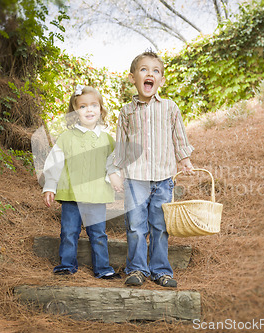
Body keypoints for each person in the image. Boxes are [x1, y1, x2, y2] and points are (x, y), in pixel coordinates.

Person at [113, 51, 195, 288]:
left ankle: (161, 270)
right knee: (136, 226)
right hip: (135, 178)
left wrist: (185, 159)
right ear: (132, 78)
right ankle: (137, 269)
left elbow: (178, 136)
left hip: (163, 178)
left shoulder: (170, 107)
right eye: (144, 69)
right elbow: (121, 144)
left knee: (160, 226)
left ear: (162, 80)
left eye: (155, 71)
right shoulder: (126, 112)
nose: (150, 74)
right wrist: (116, 170)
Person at [42, 85, 122, 279]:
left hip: (96, 195)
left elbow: (113, 162)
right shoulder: (66, 138)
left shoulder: (107, 139)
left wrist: (114, 178)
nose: (89, 110)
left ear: (101, 110)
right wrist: (50, 186)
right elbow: (54, 163)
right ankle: (67, 264)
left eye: (94, 105)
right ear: (75, 113)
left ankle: (102, 268)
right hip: (71, 195)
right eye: (83, 106)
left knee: (99, 234)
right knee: (69, 232)